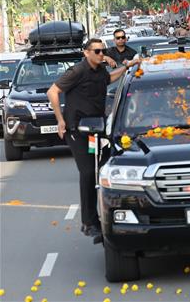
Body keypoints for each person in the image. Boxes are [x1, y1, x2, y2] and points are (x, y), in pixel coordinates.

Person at [47, 38, 141, 242]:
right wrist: (60, 120)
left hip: (95, 129)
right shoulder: (77, 71)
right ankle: (89, 223)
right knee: (88, 172)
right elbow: (52, 91)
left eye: (103, 51)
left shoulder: (99, 71)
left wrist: (126, 66)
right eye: (97, 51)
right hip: (76, 129)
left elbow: (109, 79)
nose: (101, 54)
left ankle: (101, 218)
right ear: (86, 52)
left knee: (103, 168)